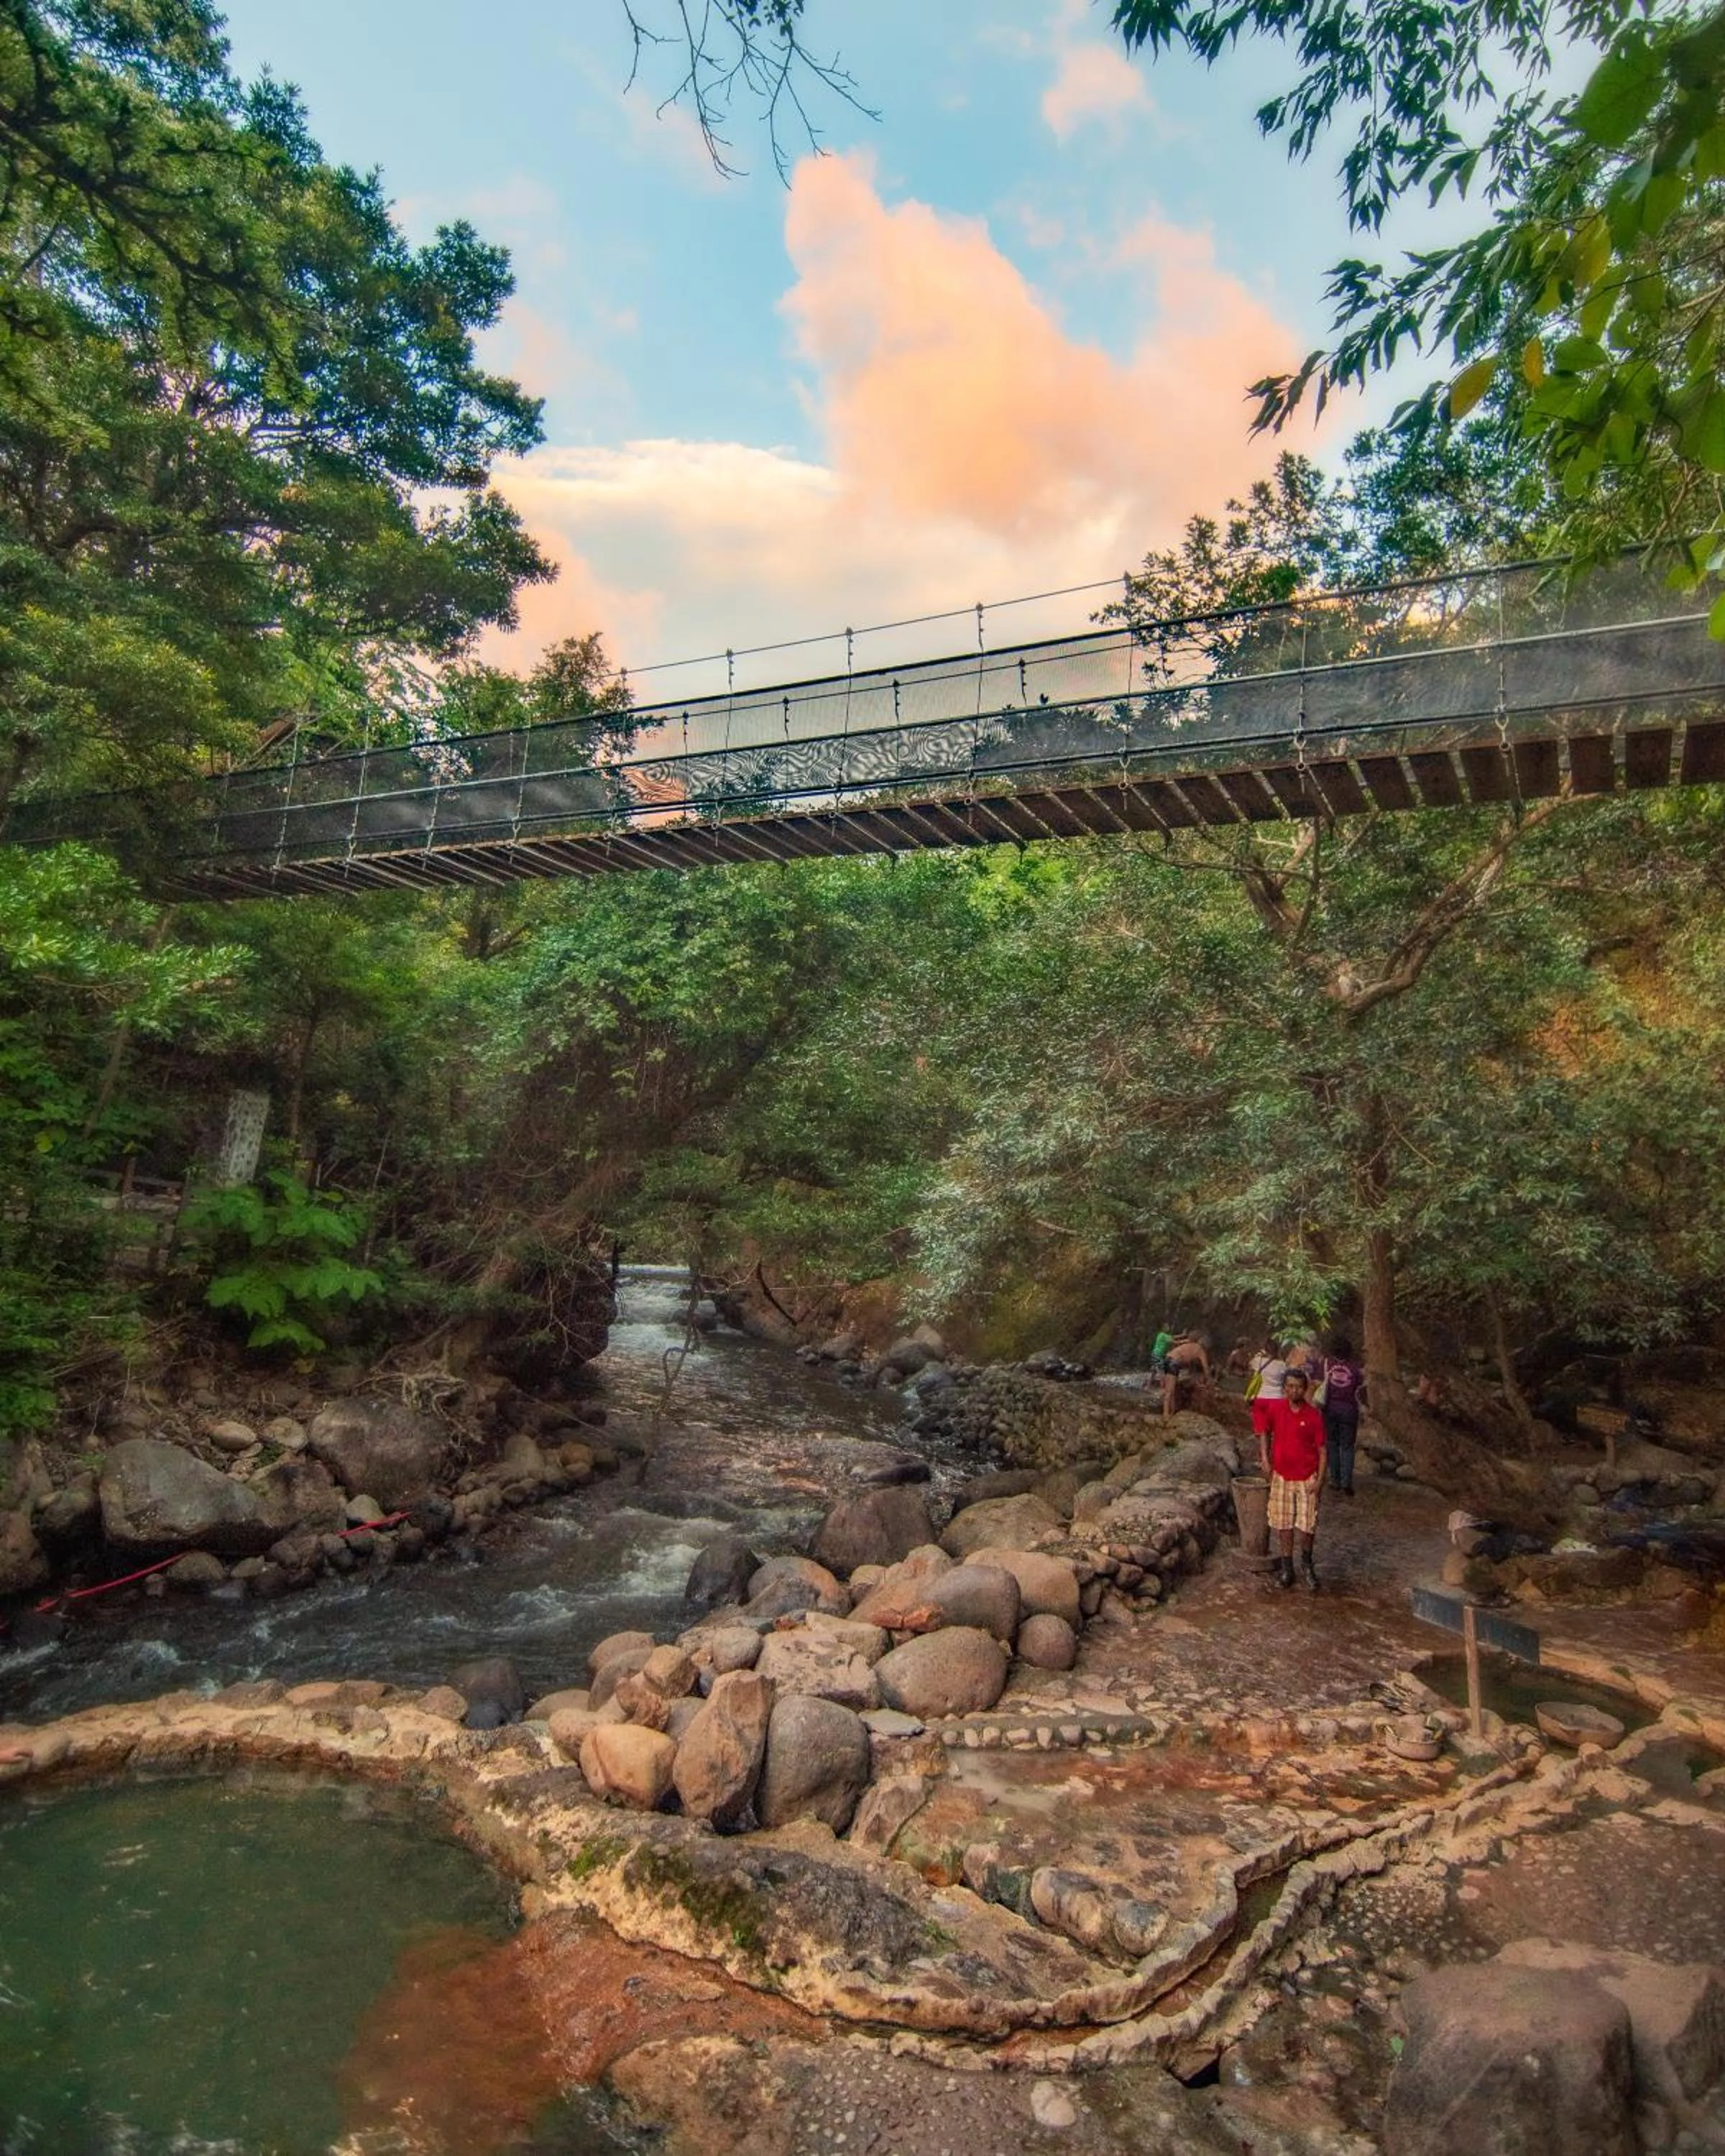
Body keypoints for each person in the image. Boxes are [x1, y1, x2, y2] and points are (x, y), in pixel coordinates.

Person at [1259, 1365, 1325, 1590]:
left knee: (1308, 1525)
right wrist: (1266, 1460)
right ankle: (1287, 1568)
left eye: (1298, 1387)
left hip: (1307, 1476)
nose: (1294, 1391)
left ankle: (1307, 1563)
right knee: (1283, 1523)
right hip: (1281, 1475)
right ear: (1284, 1388)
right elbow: (1264, 1432)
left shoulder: (1314, 1415)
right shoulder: (1276, 1409)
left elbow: (1322, 1449)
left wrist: (1320, 1480)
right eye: (1290, 1387)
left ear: (1305, 1389)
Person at [1320, 1334, 1366, 1496]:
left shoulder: (1327, 1364)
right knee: (1347, 1446)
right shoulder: (1355, 1368)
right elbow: (1360, 1388)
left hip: (1330, 1408)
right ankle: (1347, 1482)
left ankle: (1335, 1479)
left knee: (1332, 1444)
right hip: (1349, 1410)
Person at [1248, 1337, 1288, 1447]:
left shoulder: (1259, 1361)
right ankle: (1275, 1457)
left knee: (1263, 1431)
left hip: (1261, 1398)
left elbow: (1250, 1364)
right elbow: (1285, 1381)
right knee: (1276, 1431)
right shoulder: (1282, 1365)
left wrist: (1261, 1354)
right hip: (1277, 1400)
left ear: (1265, 1350)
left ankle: (1264, 1460)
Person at [1162, 1332, 1210, 1419]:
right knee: (1170, 1390)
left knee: (1172, 1388)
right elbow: (1206, 1367)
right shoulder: (1200, 1351)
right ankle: (1165, 1414)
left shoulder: (1189, 1344)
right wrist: (1208, 1380)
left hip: (1168, 1359)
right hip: (1174, 1362)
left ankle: (1172, 1411)